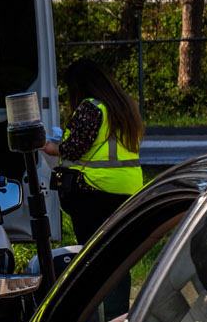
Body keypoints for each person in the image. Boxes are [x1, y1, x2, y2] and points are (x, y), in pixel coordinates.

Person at [46, 57, 144, 246]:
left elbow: (74, 149)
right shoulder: (124, 107)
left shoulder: (90, 107)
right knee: (117, 251)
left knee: (92, 251)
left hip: (96, 191)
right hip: (129, 189)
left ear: (79, 87)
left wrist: (50, 147)